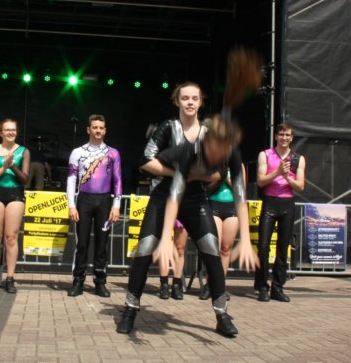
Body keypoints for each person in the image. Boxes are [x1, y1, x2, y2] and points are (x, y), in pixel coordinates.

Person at [117, 113, 259, 338]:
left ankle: (222, 315)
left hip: (195, 198)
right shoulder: (189, 151)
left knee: (212, 250)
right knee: (144, 249)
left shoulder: (231, 152)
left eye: (223, 150)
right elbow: (174, 196)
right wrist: (165, 239)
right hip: (165, 194)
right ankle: (130, 309)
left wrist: (247, 241)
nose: (218, 155)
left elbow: (240, 196)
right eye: (215, 149)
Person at [141, 82, 204, 301]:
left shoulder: (205, 133)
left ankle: (178, 283)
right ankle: (163, 283)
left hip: (186, 199)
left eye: (194, 98)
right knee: (162, 242)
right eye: (185, 98)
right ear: (177, 101)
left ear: (201, 102)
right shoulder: (167, 128)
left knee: (180, 246)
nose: (190, 102)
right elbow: (146, 160)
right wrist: (174, 172)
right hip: (164, 196)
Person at [66, 114, 122, 297]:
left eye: (101, 128)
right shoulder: (77, 152)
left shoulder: (113, 153)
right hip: (84, 200)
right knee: (81, 243)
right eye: (95, 127)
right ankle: (78, 280)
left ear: (105, 130)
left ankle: (100, 281)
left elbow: (117, 180)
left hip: (104, 201)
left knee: (102, 243)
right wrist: (71, 205)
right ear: (88, 130)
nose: (98, 130)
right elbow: (71, 179)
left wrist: (116, 205)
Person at [254, 123, 306, 302]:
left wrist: (286, 177)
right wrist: (277, 172)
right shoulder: (265, 154)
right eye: (281, 134)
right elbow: (260, 181)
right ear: (276, 136)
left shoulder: (298, 158)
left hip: (287, 204)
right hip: (269, 202)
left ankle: (277, 287)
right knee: (263, 246)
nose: (284, 138)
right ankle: (262, 286)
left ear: (292, 138)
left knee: (283, 248)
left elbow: (300, 186)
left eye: (287, 135)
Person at [0, 119, 30, 294]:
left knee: (11, 237)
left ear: (17, 132)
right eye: (7, 130)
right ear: (1, 132)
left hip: (16, 193)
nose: (10, 132)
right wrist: (3, 167)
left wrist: (13, 166)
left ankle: (10, 278)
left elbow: (24, 179)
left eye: (13, 130)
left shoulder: (24, 151)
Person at [199, 163, 246, 300]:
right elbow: (206, 188)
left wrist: (227, 178)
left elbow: (241, 189)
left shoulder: (239, 165)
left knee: (226, 248)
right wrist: (219, 177)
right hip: (214, 205)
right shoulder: (213, 162)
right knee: (214, 247)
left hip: (232, 207)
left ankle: (220, 286)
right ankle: (209, 285)